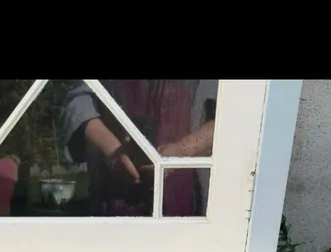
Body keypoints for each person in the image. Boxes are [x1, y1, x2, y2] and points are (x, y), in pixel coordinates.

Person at [61, 79, 217, 217]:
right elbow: (78, 101)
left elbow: (232, 113)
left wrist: (181, 151)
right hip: (113, 201)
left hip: (191, 208)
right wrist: (111, 149)